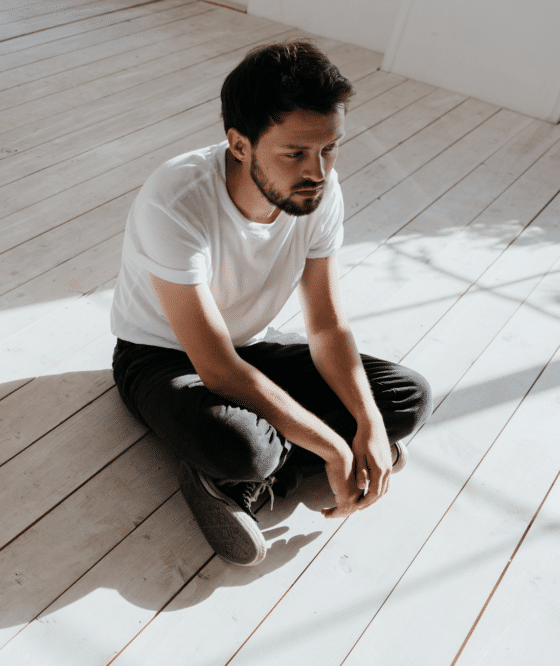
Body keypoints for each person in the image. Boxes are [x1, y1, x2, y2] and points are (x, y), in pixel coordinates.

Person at [110, 41, 431, 566]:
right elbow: (215, 366)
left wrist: (368, 421)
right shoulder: (174, 199)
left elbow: (326, 327)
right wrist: (333, 443)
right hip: (162, 357)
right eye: (295, 153)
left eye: (330, 149)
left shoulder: (318, 192)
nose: (319, 171)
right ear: (239, 144)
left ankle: (264, 473)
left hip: (251, 349)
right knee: (242, 446)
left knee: (406, 398)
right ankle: (242, 472)